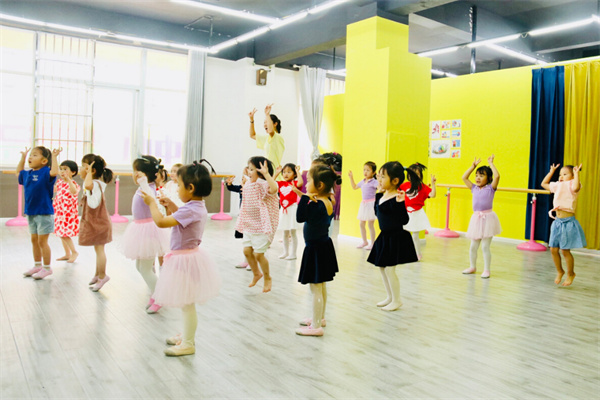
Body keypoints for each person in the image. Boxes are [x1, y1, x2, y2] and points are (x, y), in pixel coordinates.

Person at [140, 161, 221, 356]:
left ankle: (188, 343)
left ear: (190, 188)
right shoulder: (196, 206)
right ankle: (185, 335)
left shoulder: (190, 209)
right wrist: (171, 204)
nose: (177, 188)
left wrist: (152, 204)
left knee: (187, 304)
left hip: (184, 260)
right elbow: (182, 218)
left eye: (179, 185)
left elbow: (161, 222)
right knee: (186, 302)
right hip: (189, 257)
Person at [293, 165, 340, 336]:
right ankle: (319, 318)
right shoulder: (327, 201)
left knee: (315, 288)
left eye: (309, 181)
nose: (306, 184)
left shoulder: (317, 204)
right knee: (321, 286)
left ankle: (316, 326)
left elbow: (300, 217)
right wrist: (304, 196)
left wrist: (303, 199)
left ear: (319, 185)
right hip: (323, 246)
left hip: (315, 249)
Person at [367, 162, 419, 311]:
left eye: (383, 177)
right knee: (382, 268)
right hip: (384, 237)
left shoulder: (397, 197)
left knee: (390, 269)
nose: (379, 179)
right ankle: (390, 297)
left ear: (395, 181)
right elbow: (378, 213)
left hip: (395, 238)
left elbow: (404, 220)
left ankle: (397, 300)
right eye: (379, 176)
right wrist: (378, 194)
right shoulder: (382, 195)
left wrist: (400, 204)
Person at [122, 155, 171, 313]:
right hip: (141, 229)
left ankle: (160, 297)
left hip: (148, 232)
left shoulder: (147, 187)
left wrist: (143, 182)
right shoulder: (144, 187)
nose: (134, 174)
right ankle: (155, 294)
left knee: (145, 269)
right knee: (140, 267)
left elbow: (151, 199)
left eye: (136, 171)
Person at [235, 156, 279, 293]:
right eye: (248, 169)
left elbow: (274, 188)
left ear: (260, 172)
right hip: (249, 224)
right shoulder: (249, 184)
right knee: (247, 251)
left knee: (259, 255)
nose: (249, 172)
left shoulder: (263, 184)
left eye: (252, 169)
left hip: (262, 225)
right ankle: (256, 274)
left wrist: (267, 175)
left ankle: (267, 277)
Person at [18, 146, 60, 280]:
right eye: (31, 155)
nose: (31, 157)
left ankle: (47, 268)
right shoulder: (27, 174)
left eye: (34, 155)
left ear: (44, 161)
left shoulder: (46, 172)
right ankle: (37, 265)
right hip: (31, 212)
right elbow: (19, 172)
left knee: (42, 241)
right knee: (34, 240)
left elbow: (55, 172)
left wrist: (54, 157)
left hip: (44, 213)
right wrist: (23, 157)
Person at [541, 163, 586, 287]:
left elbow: (576, 187)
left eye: (565, 174)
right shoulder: (558, 185)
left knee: (565, 251)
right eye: (560, 174)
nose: (561, 177)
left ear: (572, 176)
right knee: (553, 249)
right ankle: (560, 271)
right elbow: (544, 184)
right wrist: (551, 172)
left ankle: (571, 273)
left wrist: (576, 174)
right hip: (557, 222)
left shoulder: (573, 185)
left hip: (568, 223)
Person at [461, 155, 501, 279]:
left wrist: (491, 163)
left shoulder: (491, 188)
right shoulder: (473, 188)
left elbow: (497, 176)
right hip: (476, 219)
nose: (478, 178)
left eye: (481, 175)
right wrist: (472, 167)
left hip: (488, 219)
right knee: (473, 246)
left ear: (488, 178)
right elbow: (464, 177)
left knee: (485, 246)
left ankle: (487, 269)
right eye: (477, 175)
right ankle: (472, 267)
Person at [79, 154, 113, 291]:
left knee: (100, 251)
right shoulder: (93, 184)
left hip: (99, 223)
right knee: (98, 250)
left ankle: (103, 276)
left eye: (83, 167)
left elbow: (93, 202)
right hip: (96, 223)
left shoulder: (95, 185)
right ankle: (97, 274)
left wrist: (88, 174)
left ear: (92, 170)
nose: (80, 169)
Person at [399, 163, 437, 260]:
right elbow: (395, 191)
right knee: (404, 235)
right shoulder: (404, 185)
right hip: (406, 213)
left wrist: (433, 184)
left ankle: (418, 254)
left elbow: (432, 195)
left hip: (417, 213)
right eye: (412, 174)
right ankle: (406, 252)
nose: (414, 176)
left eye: (417, 174)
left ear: (420, 176)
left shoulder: (422, 187)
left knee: (415, 236)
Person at [274, 163, 304, 260]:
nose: (286, 174)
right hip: (283, 210)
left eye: (289, 172)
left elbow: (300, 183)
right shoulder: (280, 183)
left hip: (292, 209)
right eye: (284, 172)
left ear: (294, 174)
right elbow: (271, 183)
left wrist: (298, 172)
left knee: (293, 232)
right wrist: (276, 173)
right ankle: (285, 252)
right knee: (285, 232)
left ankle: (293, 254)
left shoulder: (294, 183)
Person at [54, 160, 80, 263]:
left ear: (73, 172)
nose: (62, 171)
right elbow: (53, 189)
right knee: (61, 233)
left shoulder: (74, 184)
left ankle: (74, 252)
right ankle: (67, 254)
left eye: (65, 169)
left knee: (64, 234)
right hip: (59, 212)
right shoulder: (60, 182)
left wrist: (69, 179)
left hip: (68, 214)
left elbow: (74, 191)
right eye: (61, 169)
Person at [348, 161, 378, 249]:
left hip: (371, 204)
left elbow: (381, 188)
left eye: (368, 170)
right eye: (364, 170)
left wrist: (379, 179)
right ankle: (364, 241)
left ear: (373, 172)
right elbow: (354, 187)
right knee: (361, 223)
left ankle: (372, 243)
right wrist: (351, 177)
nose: (365, 172)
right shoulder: (363, 181)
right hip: (364, 204)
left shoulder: (374, 182)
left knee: (370, 224)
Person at [226, 167, 250, 269]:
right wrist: (229, 184)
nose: (242, 179)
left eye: (245, 177)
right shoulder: (241, 187)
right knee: (246, 240)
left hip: (251, 218)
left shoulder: (254, 188)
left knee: (252, 241)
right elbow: (232, 188)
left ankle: (252, 262)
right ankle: (246, 261)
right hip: (243, 217)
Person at [248, 104, 285, 169]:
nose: (265, 125)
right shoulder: (267, 138)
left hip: (274, 171)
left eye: (267, 122)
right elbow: (252, 135)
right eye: (264, 123)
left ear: (275, 124)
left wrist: (267, 114)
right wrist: (251, 120)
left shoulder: (278, 137)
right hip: (267, 170)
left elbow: (271, 131)